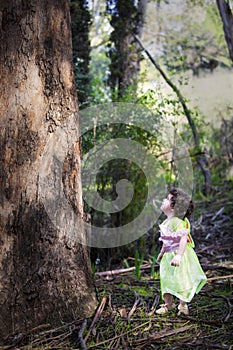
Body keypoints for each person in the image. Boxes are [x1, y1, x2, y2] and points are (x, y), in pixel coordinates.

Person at [156, 187, 207, 315]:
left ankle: (183, 305)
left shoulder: (177, 222)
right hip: (168, 256)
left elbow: (183, 238)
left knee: (181, 279)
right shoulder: (166, 222)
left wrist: (179, 255)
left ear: (173, 207)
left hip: (179, 255)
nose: (163, 200)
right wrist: (162, 252)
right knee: (166, 279)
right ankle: (169, 304)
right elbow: (167, 241)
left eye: (167, 199)